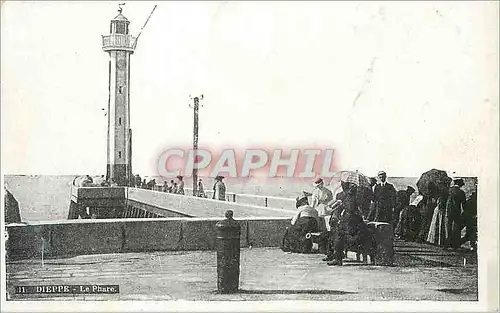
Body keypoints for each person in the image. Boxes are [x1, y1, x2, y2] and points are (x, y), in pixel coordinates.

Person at [326, 183, 373, 266]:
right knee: (337, 233)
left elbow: (349, 223)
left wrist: (342, 205)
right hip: (357, 229)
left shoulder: (350, 205)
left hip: (353, 233)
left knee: (338, 235)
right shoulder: (357, 200)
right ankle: (335, 257)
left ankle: (337, 258)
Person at [446, 178, 466, 249]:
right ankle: (455, 245)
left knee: (448, 228)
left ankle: (446, 244)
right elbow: (464, 204)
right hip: (457, 212)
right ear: (460, 184)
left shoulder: (449, 190)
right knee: (457, 229)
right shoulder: (461, 192)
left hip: (448, 211)